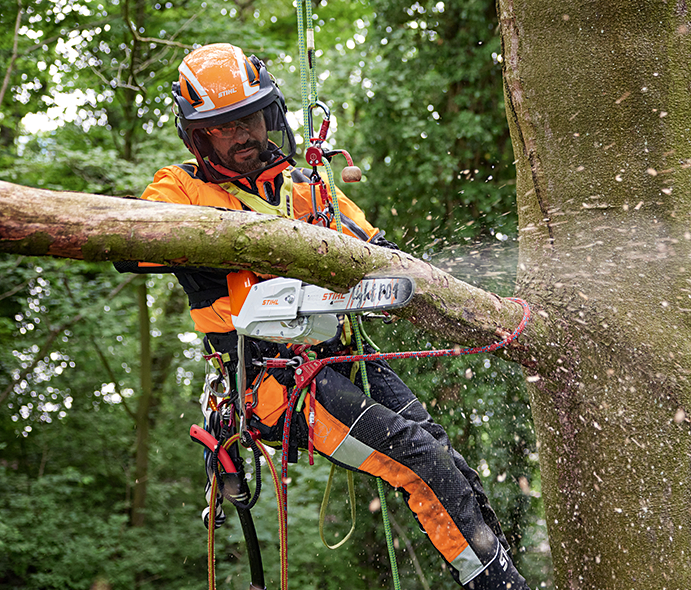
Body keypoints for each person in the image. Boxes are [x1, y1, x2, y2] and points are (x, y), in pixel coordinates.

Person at [115, 43, 529, 589]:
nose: (244, 135)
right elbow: (127, 240)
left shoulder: (304, 184)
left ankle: (496, 570)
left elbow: (380, 249)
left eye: (251, 118)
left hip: (341, 354)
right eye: (224, 127)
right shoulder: (181, 189)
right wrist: (221, 234)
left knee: (443, 450)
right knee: (420, 459)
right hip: (271, 382)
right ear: (199, 135)